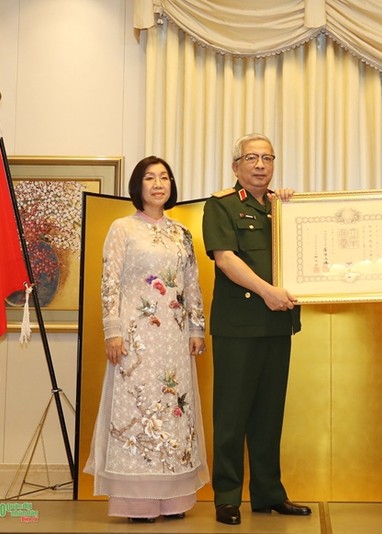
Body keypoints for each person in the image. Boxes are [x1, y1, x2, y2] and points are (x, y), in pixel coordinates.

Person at [85, 156, 209, 522]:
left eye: (165, 178)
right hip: (135, 338)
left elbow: (190, 285)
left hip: (172, 336)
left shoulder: (181, 233)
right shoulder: (122, 228)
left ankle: (173, 501)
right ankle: (137, 502)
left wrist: (197, 328)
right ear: (137, 186)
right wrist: (113, 329)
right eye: (150, 178)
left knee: (174, 408)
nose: (158, 184)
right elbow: (110, 281)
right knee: (136, 409)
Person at [202, 133, 311, 526]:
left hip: (277, 323)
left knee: (269, 415)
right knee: (231, 415)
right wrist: (266, 291)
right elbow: (225, 258)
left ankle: (268, 492)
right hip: (239, 324)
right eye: (252, 158)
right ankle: (227, 495)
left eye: (267, 158)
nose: (260, 165)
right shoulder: (222, 206)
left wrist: (294, 211)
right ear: (236, 167)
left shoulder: (282, 207)